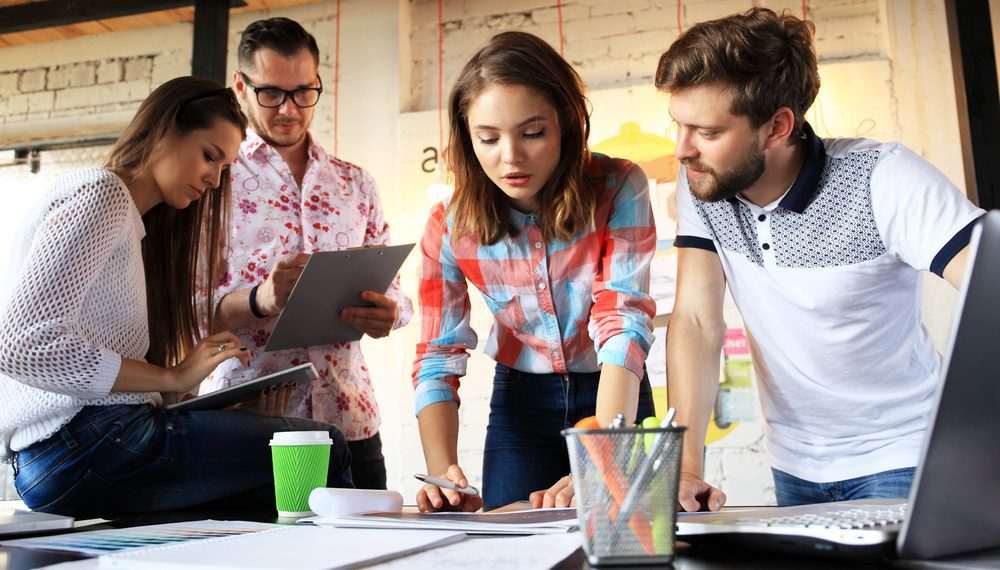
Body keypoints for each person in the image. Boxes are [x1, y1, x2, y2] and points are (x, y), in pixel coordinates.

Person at [656, 8, 986, 511]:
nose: (682, 149)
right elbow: (698, 321)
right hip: (795, 465)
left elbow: (990, 283)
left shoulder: (883, 177)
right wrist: (687, 468)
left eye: (706, 131)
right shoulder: (704, 183)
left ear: (777, 126)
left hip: (905, 457)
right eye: (679, 125)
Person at [0, 76, 353, 519]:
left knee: (259, 498)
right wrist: (171, 377)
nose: (213, 178)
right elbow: (21, 345)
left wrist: (217, 411)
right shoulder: (102, 194)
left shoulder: (130, 222)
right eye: (209, 156)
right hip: (83, 444)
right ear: (165, 131)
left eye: (224, 168)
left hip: (73, 451)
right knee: (320, 448)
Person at [412, 31, 658, 512]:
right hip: (520, 406)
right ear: (467, 137)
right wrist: (442, 475)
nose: (510, 156)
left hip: (613, 389)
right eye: (488, 138)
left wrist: (603, 454)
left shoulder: (619, 186)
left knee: (625, 542)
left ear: (565, 123)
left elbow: (622, 322)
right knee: (509, 546)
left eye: (532, 133)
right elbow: (438, 354)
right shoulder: (448, 225)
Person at [204, 17, 413, 491]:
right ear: (240, 85)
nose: (290, 109)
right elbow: (185, 308)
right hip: (247, 419)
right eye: (272, 93)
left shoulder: (354, 182)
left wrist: (391, 312)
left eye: (304, 92)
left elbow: (398, 291)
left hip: (350, 417)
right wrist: (258, 298)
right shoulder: (214, 180)